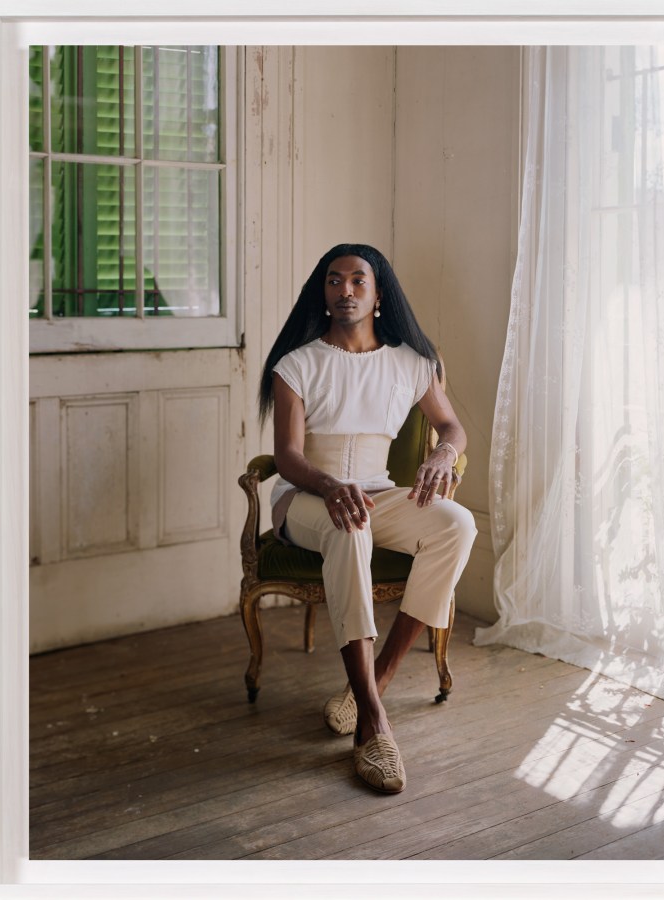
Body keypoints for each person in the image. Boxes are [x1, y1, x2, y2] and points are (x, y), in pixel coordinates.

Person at [258, 243, 477, 794]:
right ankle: (375, 725)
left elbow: (451, 427)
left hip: (377, 491)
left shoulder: (413, 361)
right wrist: (328, 486)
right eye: (334, 281)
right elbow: (287, 456)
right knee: (349, 524)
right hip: (307, 495)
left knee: (457, 524)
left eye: (358, 280)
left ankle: (371, 686)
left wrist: (443, 453)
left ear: (379, 295)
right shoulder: (297, 364)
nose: (345, 290)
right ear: (323, 293)